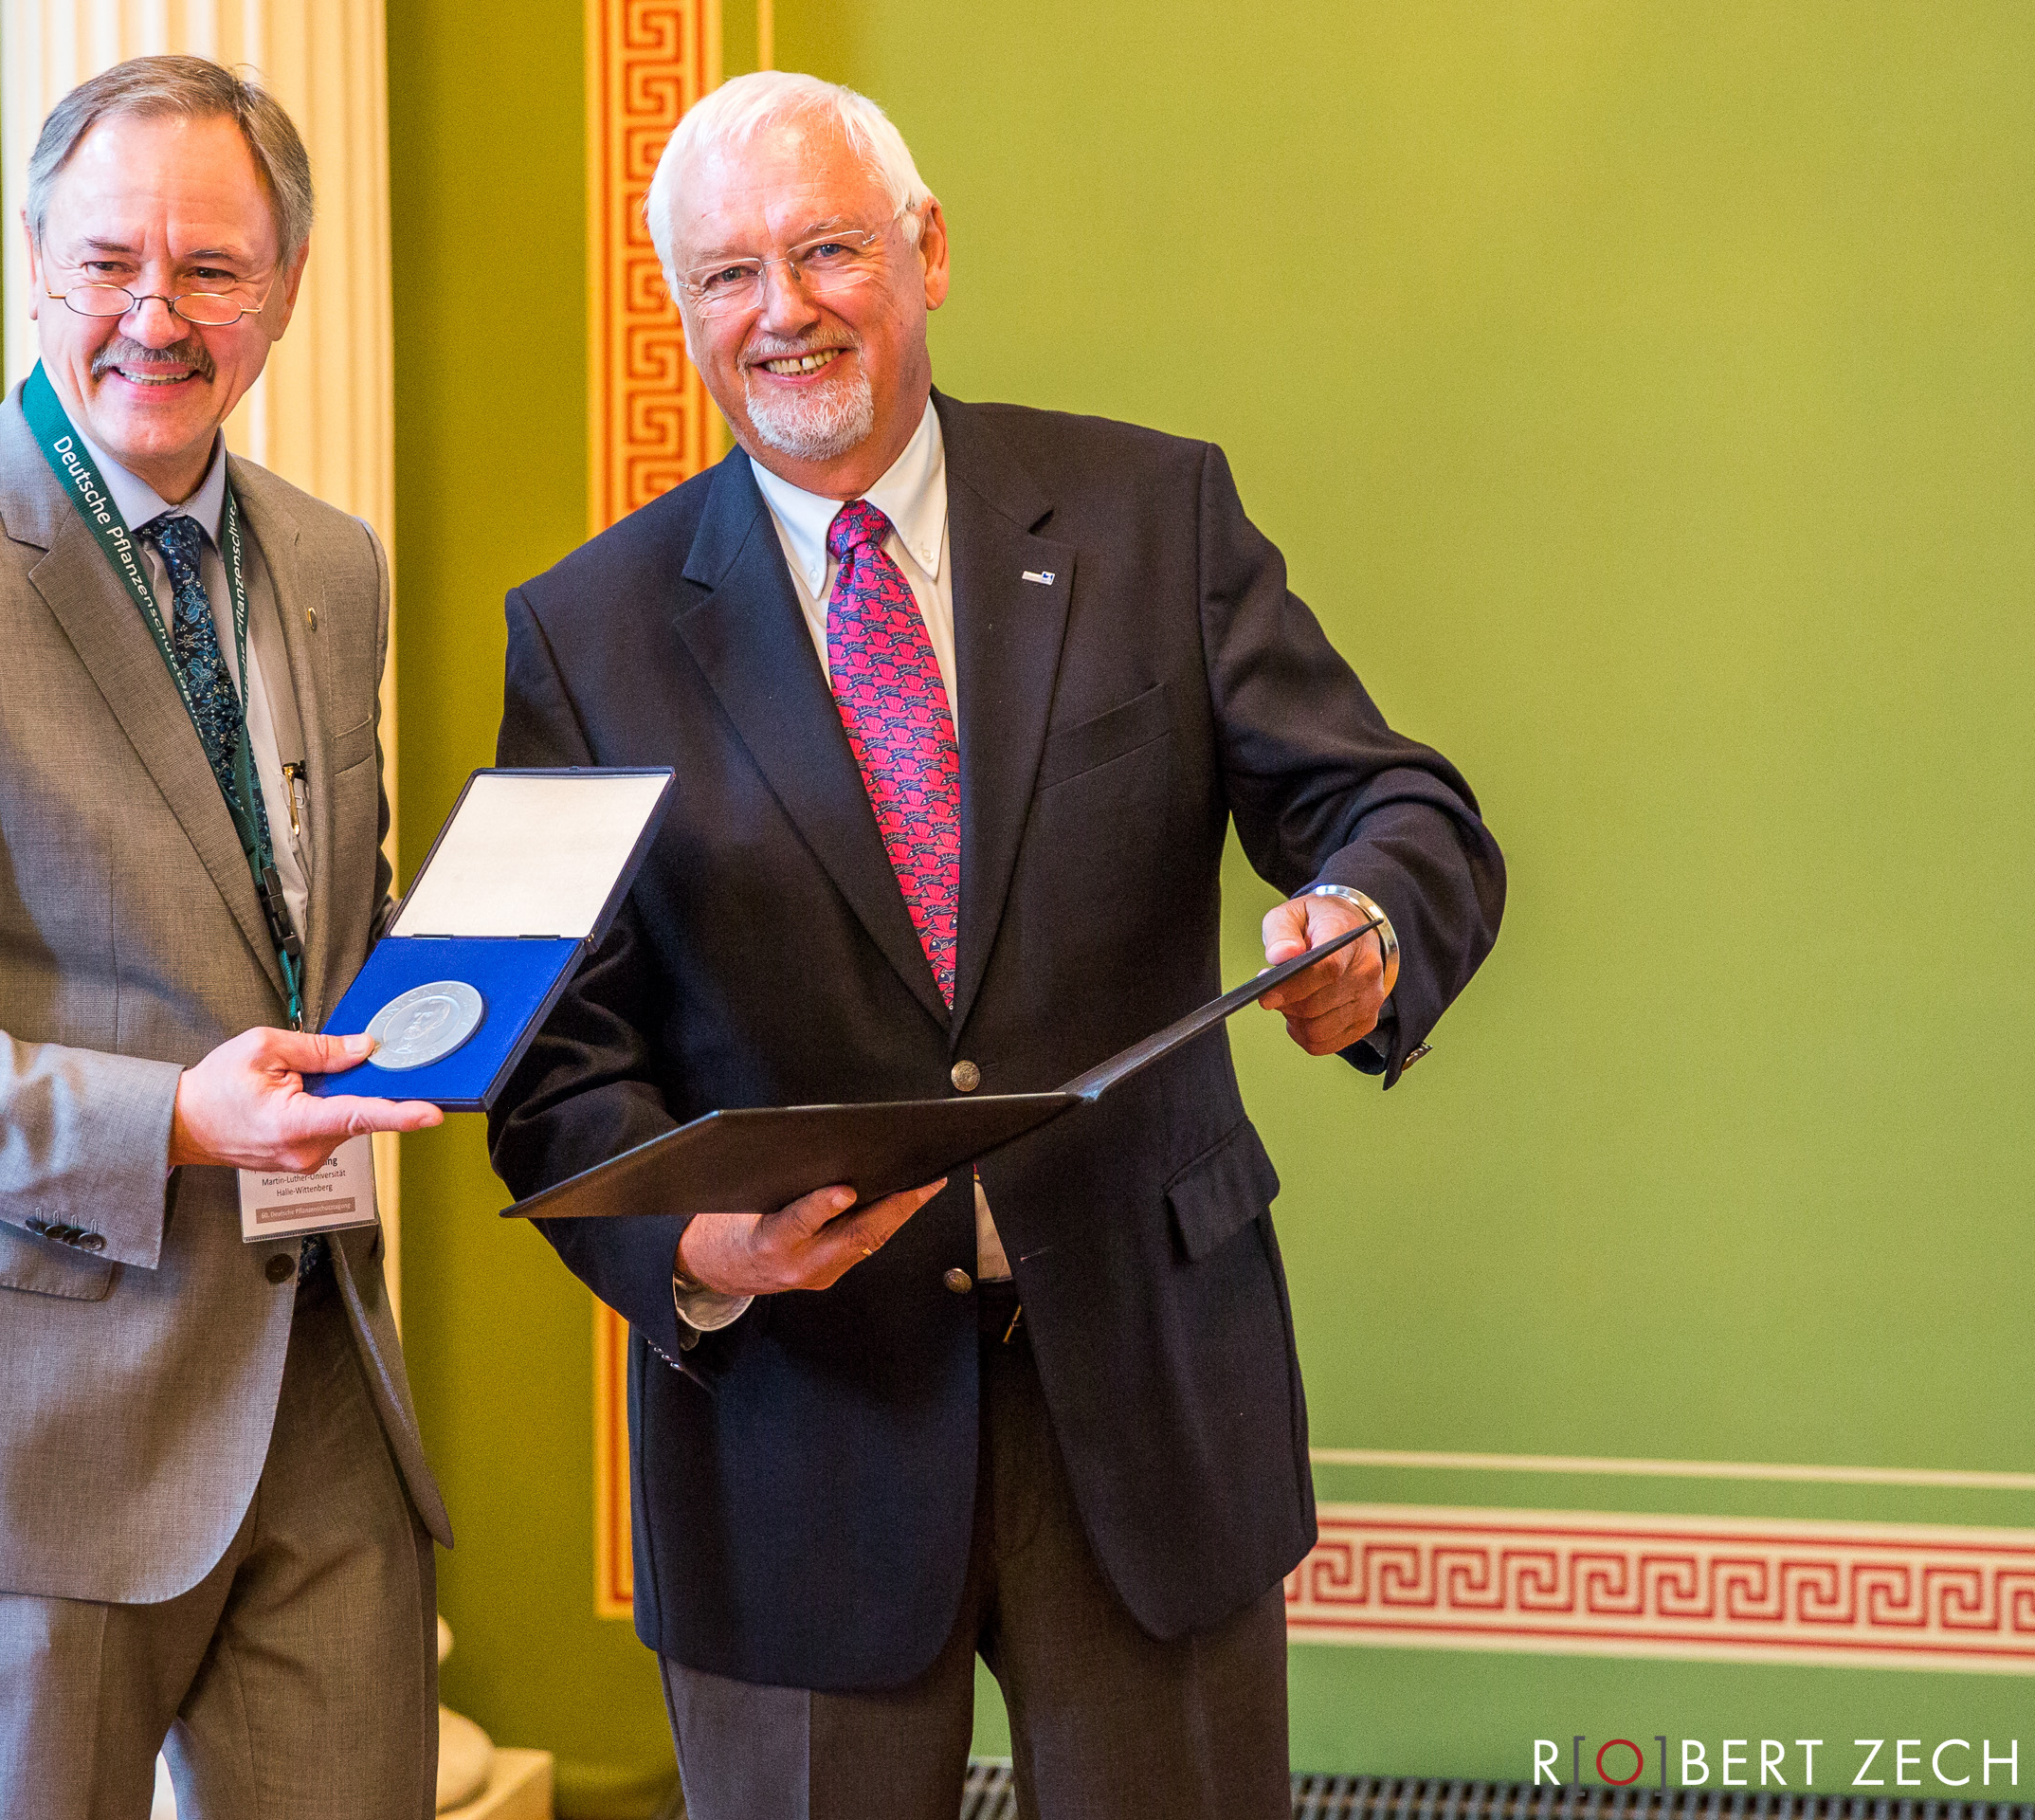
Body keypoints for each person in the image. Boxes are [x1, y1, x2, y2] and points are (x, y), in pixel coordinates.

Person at [489, 70, 1506, 1820]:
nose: (785, 310)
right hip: (790, 1440)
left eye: (826, 251)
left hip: (1144, 1399)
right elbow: (550, 1057)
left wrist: (1369, 926)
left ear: (927, 250)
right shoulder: (588, 632)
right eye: (729, 275)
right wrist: (704, 1243)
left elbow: (1397, 808)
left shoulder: (1152, 521)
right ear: (684, 319)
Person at [0, 56, 446, 1820]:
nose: (156, 313)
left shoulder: (331, 565)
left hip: (318, 1393)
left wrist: (489, 953)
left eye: (212, 269)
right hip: (13, 1435)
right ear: (36, 260)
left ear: (281, 291)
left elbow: (288, 915)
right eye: (110, 260)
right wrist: (172, 1121)